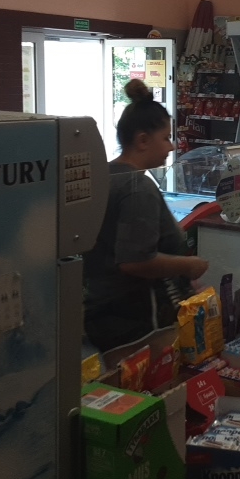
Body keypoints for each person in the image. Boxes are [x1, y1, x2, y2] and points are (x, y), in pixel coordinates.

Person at [83, 79, 209, 361]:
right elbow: (135, 261)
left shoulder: (104, 176)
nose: (171, 146)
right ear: (142, 140)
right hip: (136, 321)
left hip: (101, 314)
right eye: (165, 137)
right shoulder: (137, 187)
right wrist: (189, 266)